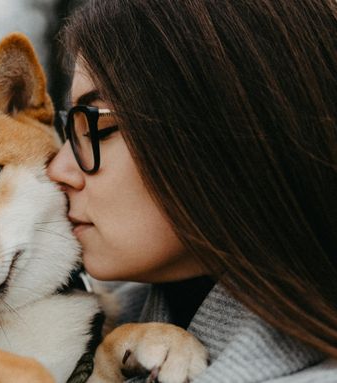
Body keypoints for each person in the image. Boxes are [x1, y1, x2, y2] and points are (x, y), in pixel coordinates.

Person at [48, 0, 337, 381]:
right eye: (70, 129)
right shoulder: (87, 342)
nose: (58, 169)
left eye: (98, 127)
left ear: (224, 130)